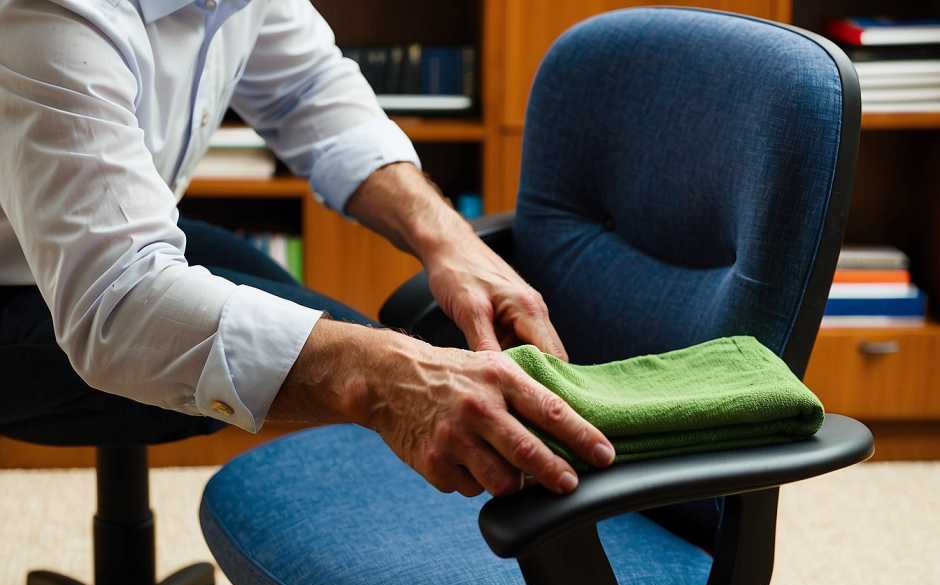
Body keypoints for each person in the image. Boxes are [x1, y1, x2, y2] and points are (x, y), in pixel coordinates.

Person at [0, 0, 614, 497]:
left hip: (68, 246)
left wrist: (450, 241)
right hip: (36, 286)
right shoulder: (50, 13)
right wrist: (373, 378)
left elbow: (308, 90)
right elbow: (121, 304)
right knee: (352, 366)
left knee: (329, 335)